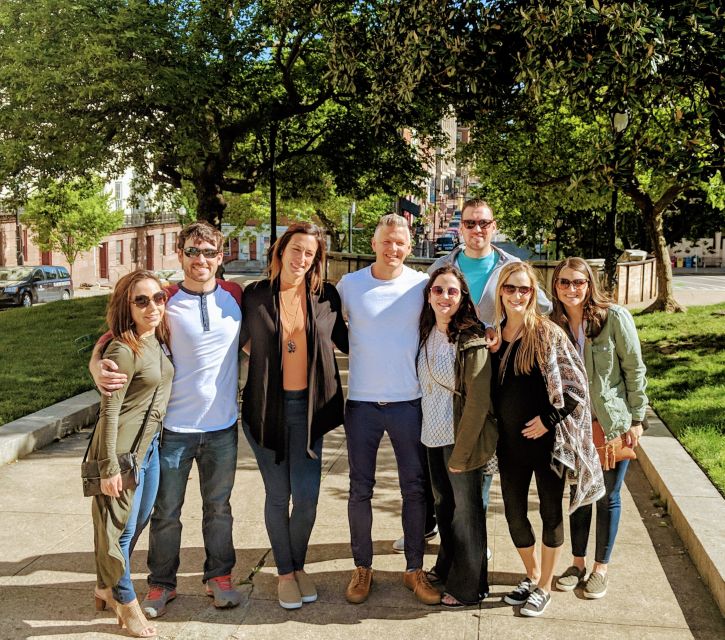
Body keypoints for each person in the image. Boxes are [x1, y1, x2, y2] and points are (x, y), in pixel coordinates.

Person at [91, 221, 243, 618]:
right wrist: (96, 365)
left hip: (223, 427)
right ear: (180, 255)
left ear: (220, 256)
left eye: (209, 252)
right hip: (173, 430)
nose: (201, 260)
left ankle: (219, 575)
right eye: (193, 251)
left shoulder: (236, 296)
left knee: (219, 508)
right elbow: (113, 337)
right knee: (166, 513)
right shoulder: (164, 299)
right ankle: (161, 583)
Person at [393, 199, 553, 557]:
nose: (477, 230)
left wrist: (500, 327)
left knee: (480, 456)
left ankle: (474, 537)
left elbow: (541, 307)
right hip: (449, 374)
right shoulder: (442, 266)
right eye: (470, 224)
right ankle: (441, 528)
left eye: (483, 223)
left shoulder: (511, 267)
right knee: (441, 462)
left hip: (495, 373)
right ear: (460, 228)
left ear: (493, 226)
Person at [240, 223, 349, 610]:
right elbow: (228, 341)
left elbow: (353, 342)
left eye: (310, 253)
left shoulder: (326, 296)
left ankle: (298, 564)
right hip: (266, 411)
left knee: (306, 498)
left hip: (310, 411)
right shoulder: (253, 295)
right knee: (278, 494)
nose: (302, 259)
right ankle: (285, 574)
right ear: (281, 250)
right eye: (296, 249)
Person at [337, 213, 440, 606]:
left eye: (400, 242)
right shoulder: (351, 285)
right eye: (386, 241)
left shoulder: (421, 285)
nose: (392, 248)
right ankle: (362, 567)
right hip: (361, 403)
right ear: (374, 243)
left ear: (409, 246)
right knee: (359, 489)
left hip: (408, 402)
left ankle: (414, 568)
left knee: (414, 489)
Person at [491, 261, 604, 617]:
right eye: (510, 288)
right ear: (500, 292)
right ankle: (532, 574)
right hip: (509, 445)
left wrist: (547, 419)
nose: (517, 295)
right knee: (513, 515)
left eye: (524, 289)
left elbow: (576, 388)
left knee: (550, 514)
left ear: (534, 293)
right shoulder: (493, 335)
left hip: (547, 446)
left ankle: (544, 587)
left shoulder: (547, 334)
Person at [551, 257, 647, 599]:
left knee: (607, 496)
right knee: (580, 495)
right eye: (564, 282)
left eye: (578, 282)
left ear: (589, 284)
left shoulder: (613, 318)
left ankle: (600, 568)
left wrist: (637, 419)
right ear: (556, 286)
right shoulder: (554, 323)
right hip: (574, 427)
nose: (571, 289)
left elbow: (634, 370)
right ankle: (576, 563)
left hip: (610, 423)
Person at [89, 270, 174, 638]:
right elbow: (108, 413)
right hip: (121, 453)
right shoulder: (123, 350)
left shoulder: (155, 337)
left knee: (134, 525)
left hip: (148, 450)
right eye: (142, 300)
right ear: (127, 305)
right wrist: (108, 467)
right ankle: (127, 605)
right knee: (118, 534)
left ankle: (104, 586)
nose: (152, 306)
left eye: (158, 298)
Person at [417, 265, 497, 608]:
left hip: (461, 437)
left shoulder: (472, 338)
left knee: (467, 513)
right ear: (429, 295)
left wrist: (463, 453)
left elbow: (478, 401)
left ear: (463, 297)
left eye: (452, 291)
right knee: (444, 507)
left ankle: (470, 586)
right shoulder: (426, 331)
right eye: (438, 290)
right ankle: (446, 568)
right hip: (432, 435)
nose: (445, 297)